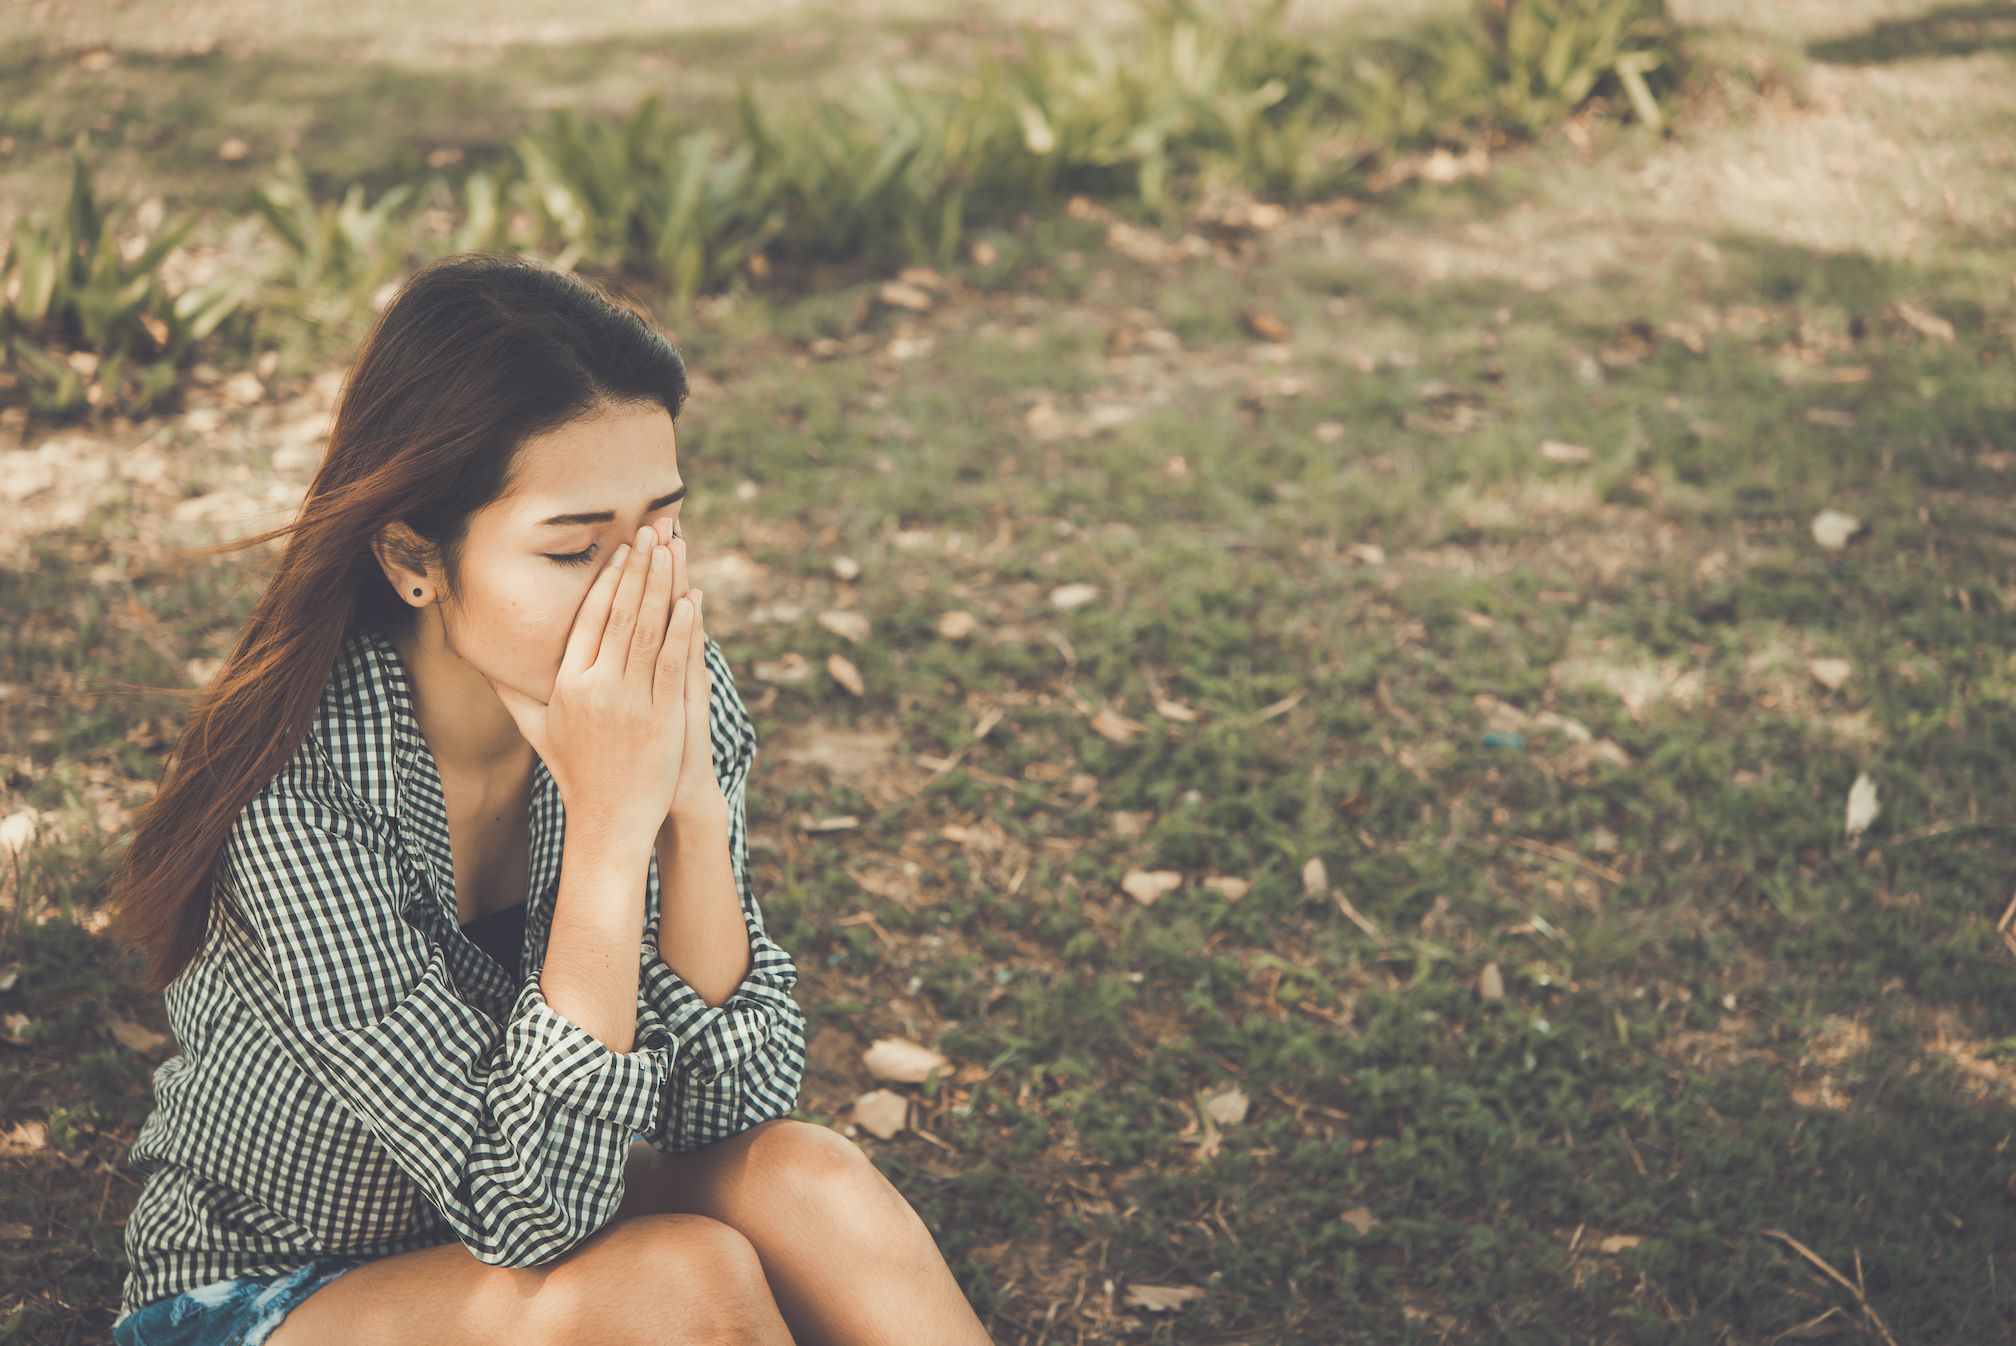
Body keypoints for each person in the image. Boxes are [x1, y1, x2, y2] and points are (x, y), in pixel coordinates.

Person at [108, 255, 991, 1346]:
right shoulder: (299, 795)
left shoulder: (656, 680)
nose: (641, 587)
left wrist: (696, 820)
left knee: (811, 1175)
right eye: (576, 546)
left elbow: (730, 1101)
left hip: (560, 1199)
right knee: (681, 1275)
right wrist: (614, 836)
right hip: (283, 1280)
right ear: (412, 556)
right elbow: (524, 1205)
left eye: (662, 522)